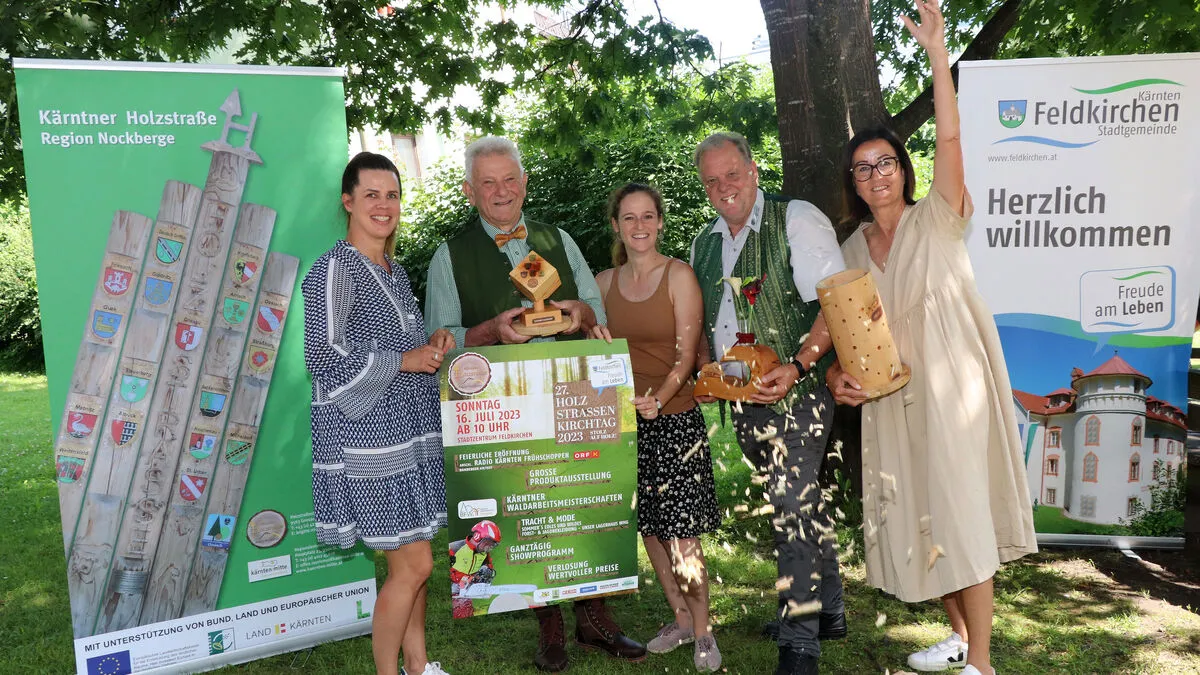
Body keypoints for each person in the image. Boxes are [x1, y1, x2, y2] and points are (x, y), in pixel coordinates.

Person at [825, 3, 1038, 674]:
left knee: (961, 517)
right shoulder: (851, 247)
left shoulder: (939, 216)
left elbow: (950, 139)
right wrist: (836, 377)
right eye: (862, 168)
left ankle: (981, 663)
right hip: (892, 398)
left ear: (904, 168)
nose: (876, 175)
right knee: (923, 514)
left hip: (952, 388)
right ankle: (959, 637)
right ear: (853, 183)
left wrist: (938, 57)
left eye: (885, 162)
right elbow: (845, 333)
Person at [425, 136, 646, 673]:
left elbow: (594, 312)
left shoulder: (557, 239)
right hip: (501, 406)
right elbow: (441, 340)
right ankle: (548, 624)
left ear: (524, 183)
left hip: (571, 394)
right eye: (488, 183)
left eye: (510, 179)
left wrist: (577, 313)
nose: (501, 191)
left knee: (580, 503)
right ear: (469, 191)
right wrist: (492, 331)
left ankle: (595, 619)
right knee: (523, 512)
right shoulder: (449, 256)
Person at [689, 131, 847, 675]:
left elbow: (834, 301)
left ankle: (800, 643)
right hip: (742, 402)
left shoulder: (795, 218)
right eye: (712, 180)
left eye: (732, 174)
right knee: (801, 501)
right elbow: (706, 323)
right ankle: (829, 607)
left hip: (799, 390)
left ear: (754, 171)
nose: (724, 187)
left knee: (789, 507)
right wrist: (705, 375)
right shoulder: (704, 244)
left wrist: (799, 365)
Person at [302, 151, 455, 675]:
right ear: (348, 201)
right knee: (415, 565)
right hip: (370, 438)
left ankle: (418, 666)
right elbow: (323, 356)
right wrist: (405, 359)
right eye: (371, 195)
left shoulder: (394, 268)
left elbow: (395, 344)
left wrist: (430, 343)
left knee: (411, 565)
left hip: (409, 429)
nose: (383, 205)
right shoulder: (335, 268)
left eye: (392, 195)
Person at [588, 183, 723, 672]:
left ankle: (704, 631)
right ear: (616, 226)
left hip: (675, 418)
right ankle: (680, 618)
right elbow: (591, 350)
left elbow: (687, 355)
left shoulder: (679, 276)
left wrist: (659, 399)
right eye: (629, 217)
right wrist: (590, 333)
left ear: (660, 222)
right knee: (649, 529)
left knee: (682, 534)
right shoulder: (602, 283)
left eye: (648, 216)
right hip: (626, 425)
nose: (639, 226)